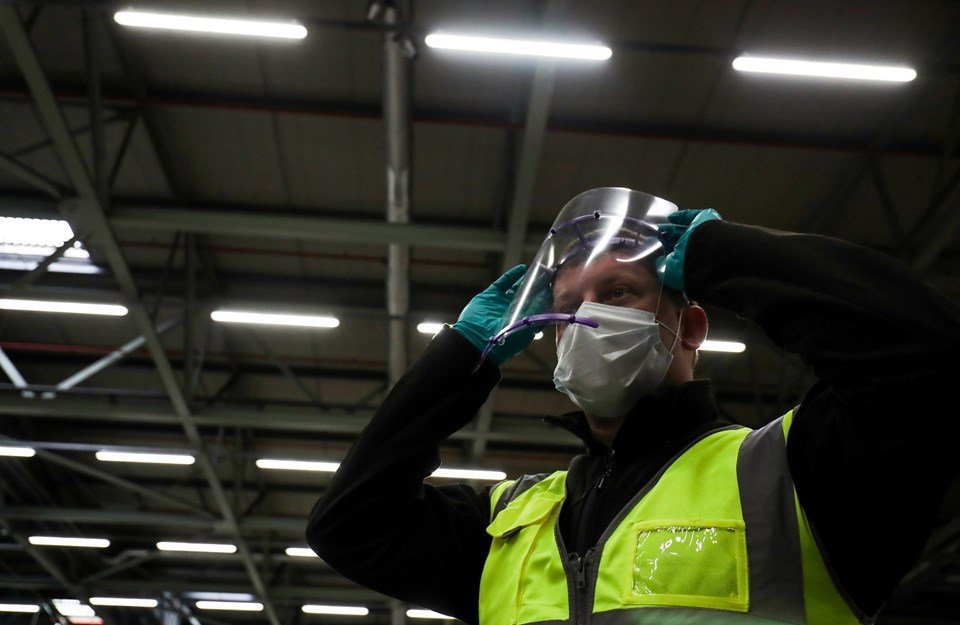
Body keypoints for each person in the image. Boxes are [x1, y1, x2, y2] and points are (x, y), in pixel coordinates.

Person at [307, 188, 960, 624]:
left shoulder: (794, 472)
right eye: (567, 306)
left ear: (691, 326)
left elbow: (923, 353)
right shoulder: (514, 521)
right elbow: (349, 525)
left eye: (618, 292)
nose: (586, 319)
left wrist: (719, 254)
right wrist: (462, 356)